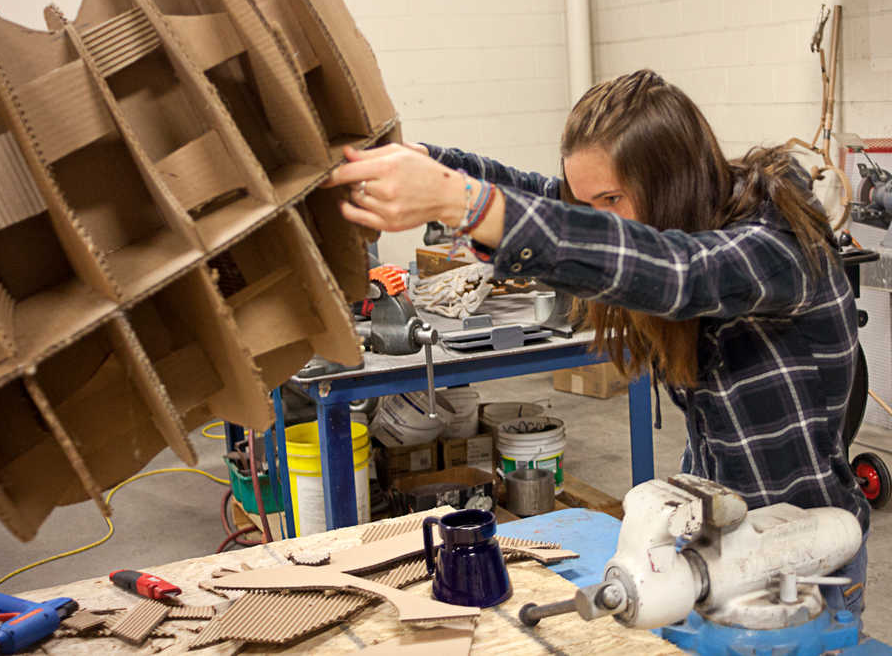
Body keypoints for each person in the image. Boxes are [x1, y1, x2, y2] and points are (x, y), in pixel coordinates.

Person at [322, 69, 870, 616]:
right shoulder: (693, 210)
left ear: (673, 179)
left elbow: (679, 275)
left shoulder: (775, 242)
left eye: (612, 198)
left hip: (808, 556)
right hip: (719, 538)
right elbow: (538, 196)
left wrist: (464, 202)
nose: (600, 222)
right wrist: (426, 164)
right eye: (588, 204)